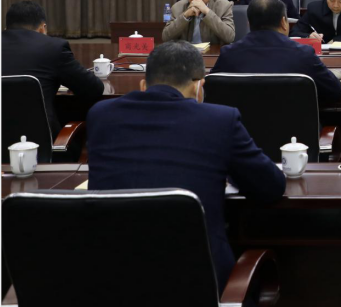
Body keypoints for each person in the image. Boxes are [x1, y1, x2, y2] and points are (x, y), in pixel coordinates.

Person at [86, 41, 286, 294]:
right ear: (198, 86)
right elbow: (271, 187)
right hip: (198, 284)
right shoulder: (220, 120)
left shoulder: (100, 115)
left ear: (143, 85)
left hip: (110, 280)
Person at [211, 0, 341, 105]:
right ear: (283, 22)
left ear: (249, 24)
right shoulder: (304, 54)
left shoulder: (229, 54)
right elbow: (335, 92)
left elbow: (211, 92)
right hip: (295, 129)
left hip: (241, 128)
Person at [1, 1, 105, 135]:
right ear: (42, 28)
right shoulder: (53, 47)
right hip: (39, 140)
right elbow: (94, 89)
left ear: (6, 28)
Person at [162, 0, 235, 44]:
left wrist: (207, 12)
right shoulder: (177, 7)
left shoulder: (224, 6)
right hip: (186, 51)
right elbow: (166, 38)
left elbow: (230, 37)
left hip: (213, 51)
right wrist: (185, 15)